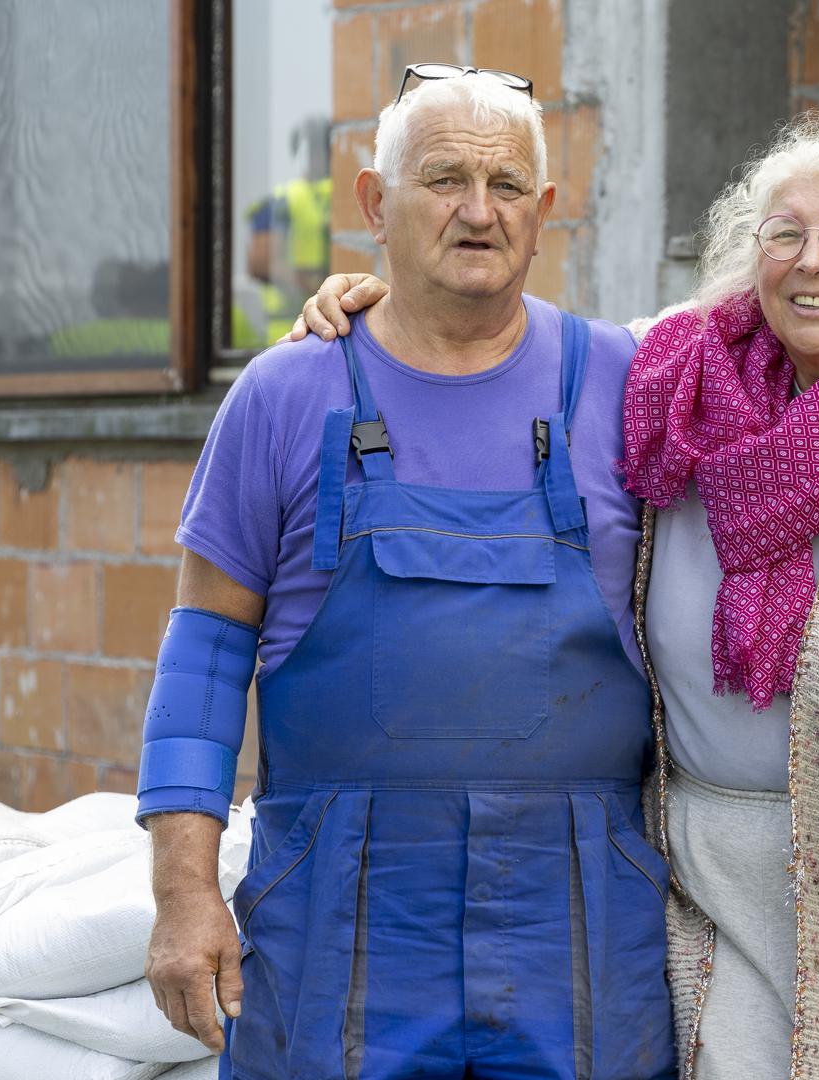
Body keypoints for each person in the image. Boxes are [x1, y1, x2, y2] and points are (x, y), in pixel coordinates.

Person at [293, 113, 819, 1079]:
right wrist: (381, 308)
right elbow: (513, 340)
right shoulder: (677, 373)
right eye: (784, 233)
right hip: (702, 883)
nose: (813, 261)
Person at [136, 66, 676, 1080]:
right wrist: (183, 891)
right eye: (442, 180)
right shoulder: (286, 394)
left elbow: (793, 310)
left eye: (507, 185)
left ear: (545, 210)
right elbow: (204, 652)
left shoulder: (624, 380)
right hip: (341, 910)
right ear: (373, 205)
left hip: (580, 921)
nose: (478, 211)